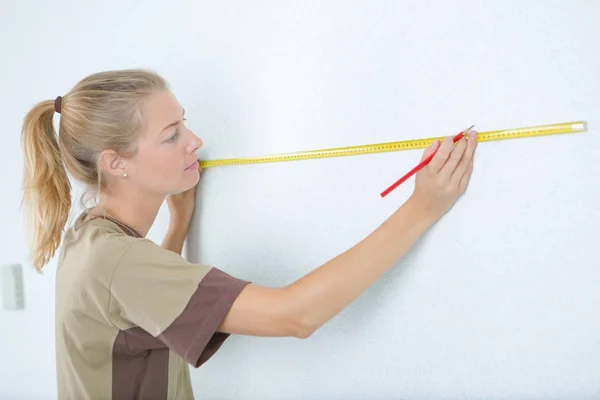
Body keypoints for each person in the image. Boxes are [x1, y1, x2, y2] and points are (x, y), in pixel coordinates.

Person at [20, 68, 478, 399]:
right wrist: (422, 208)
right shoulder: (118, 261)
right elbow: (295, 316)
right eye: (171, 135)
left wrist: (178, 224)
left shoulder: (91, 238)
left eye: (185, 122)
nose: (194, 141)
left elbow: (137, 306)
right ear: (115, 163)